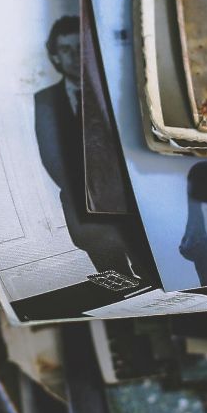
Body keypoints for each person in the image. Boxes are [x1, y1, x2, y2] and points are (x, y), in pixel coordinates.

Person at [31, 15, 130, 275]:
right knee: (119, 282)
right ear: (54, 57)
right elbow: (52, 159)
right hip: (87, 212)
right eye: (66, 50)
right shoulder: (46, 101)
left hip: (131, 203)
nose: (75, 56)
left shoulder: (112, 85)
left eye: (80, 48)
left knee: (154, 274)